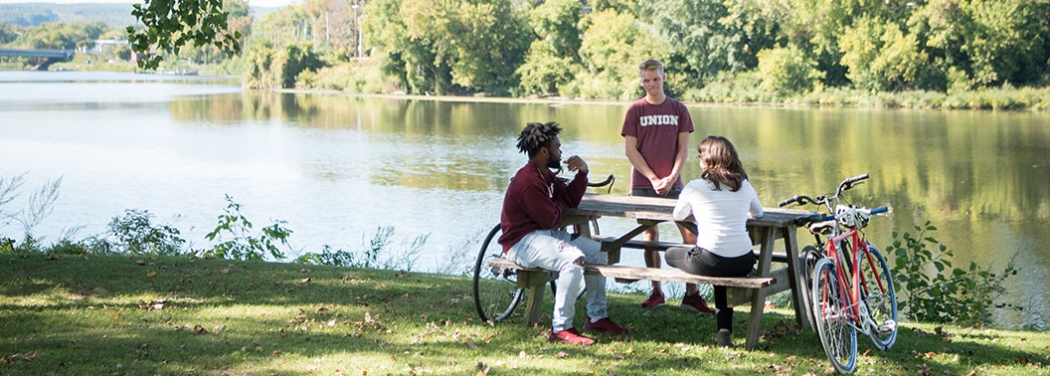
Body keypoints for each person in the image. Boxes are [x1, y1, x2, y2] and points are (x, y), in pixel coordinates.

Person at [498, 121, 628, 345]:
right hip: (521, 243)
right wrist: (557, 204)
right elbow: (550, 217)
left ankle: (597, 317)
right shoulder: (528, 181)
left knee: (598, 251)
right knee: (573, 259)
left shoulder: (544, 175)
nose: (561, 152)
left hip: (543, 236)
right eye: (558, 148)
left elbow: (568, 200)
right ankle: (561, 328)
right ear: (544, 151)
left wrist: (582, 173)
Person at [621, 59, 714, 314]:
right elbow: (631, 151)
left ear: (663, 78)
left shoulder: (678, 109)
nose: (651, 84)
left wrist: (672, 177)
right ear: (641, 81)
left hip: (675, 185)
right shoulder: (635, 111)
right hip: (642, 184)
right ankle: (656, 291)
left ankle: (692, 294)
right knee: (650, 236)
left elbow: (684, 149)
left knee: (691, 235)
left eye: (655, 79)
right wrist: (652, 178)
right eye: (646, 80)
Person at [665, 136, 763, 348]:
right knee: (721, 272)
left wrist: (698, 212)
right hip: (744, 261)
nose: (699, 161)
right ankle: (723, 333)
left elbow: (679, 214)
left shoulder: (695, 187)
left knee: (670, 254)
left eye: (701, 157)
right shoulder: (743, 185)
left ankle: (701, 307)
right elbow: (758, 213)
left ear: (707, 161)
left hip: (710, 260)